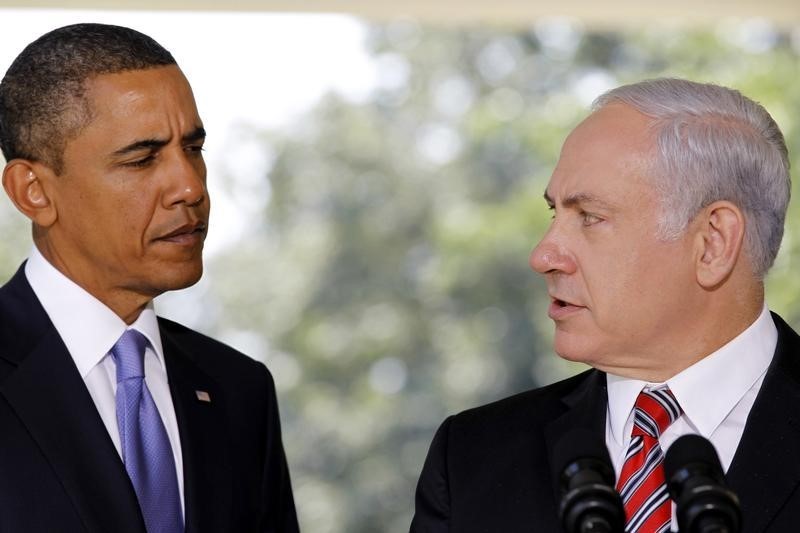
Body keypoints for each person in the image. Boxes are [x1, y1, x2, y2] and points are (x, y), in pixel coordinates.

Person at [410, 78, 797, 533]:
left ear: (712, 243)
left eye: (590, 217)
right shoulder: (472, 456)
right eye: (555, 213)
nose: (543, 255)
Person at [0, 23, 299, 533]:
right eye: (142, 159)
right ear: (34, 192)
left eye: (194, 149)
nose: (189, 187)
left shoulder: (238, 390)